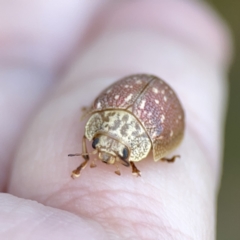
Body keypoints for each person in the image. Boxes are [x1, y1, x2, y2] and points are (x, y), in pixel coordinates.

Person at [0, 0, 232, 239]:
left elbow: (166, 141)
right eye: (97, 145)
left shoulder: (137, 129)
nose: (105, 156)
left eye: (121, 154)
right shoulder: (100, 116)